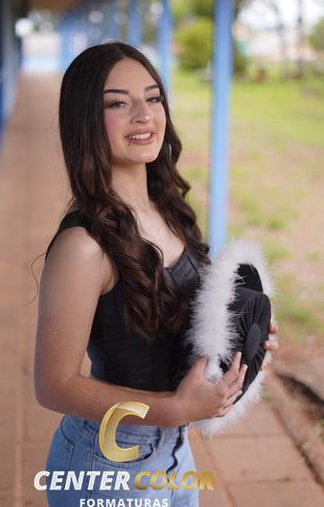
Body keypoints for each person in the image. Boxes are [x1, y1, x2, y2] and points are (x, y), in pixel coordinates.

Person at [34, 41, 279, 506]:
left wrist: (242, 341)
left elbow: (178, 325)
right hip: (107, 460)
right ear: (85, 120)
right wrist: (172, 409)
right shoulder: (84, 246)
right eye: (118, 104)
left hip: (173, 453)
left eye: (152, 98)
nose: (144, 115)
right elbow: (53, 386)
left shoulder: (169, 210)